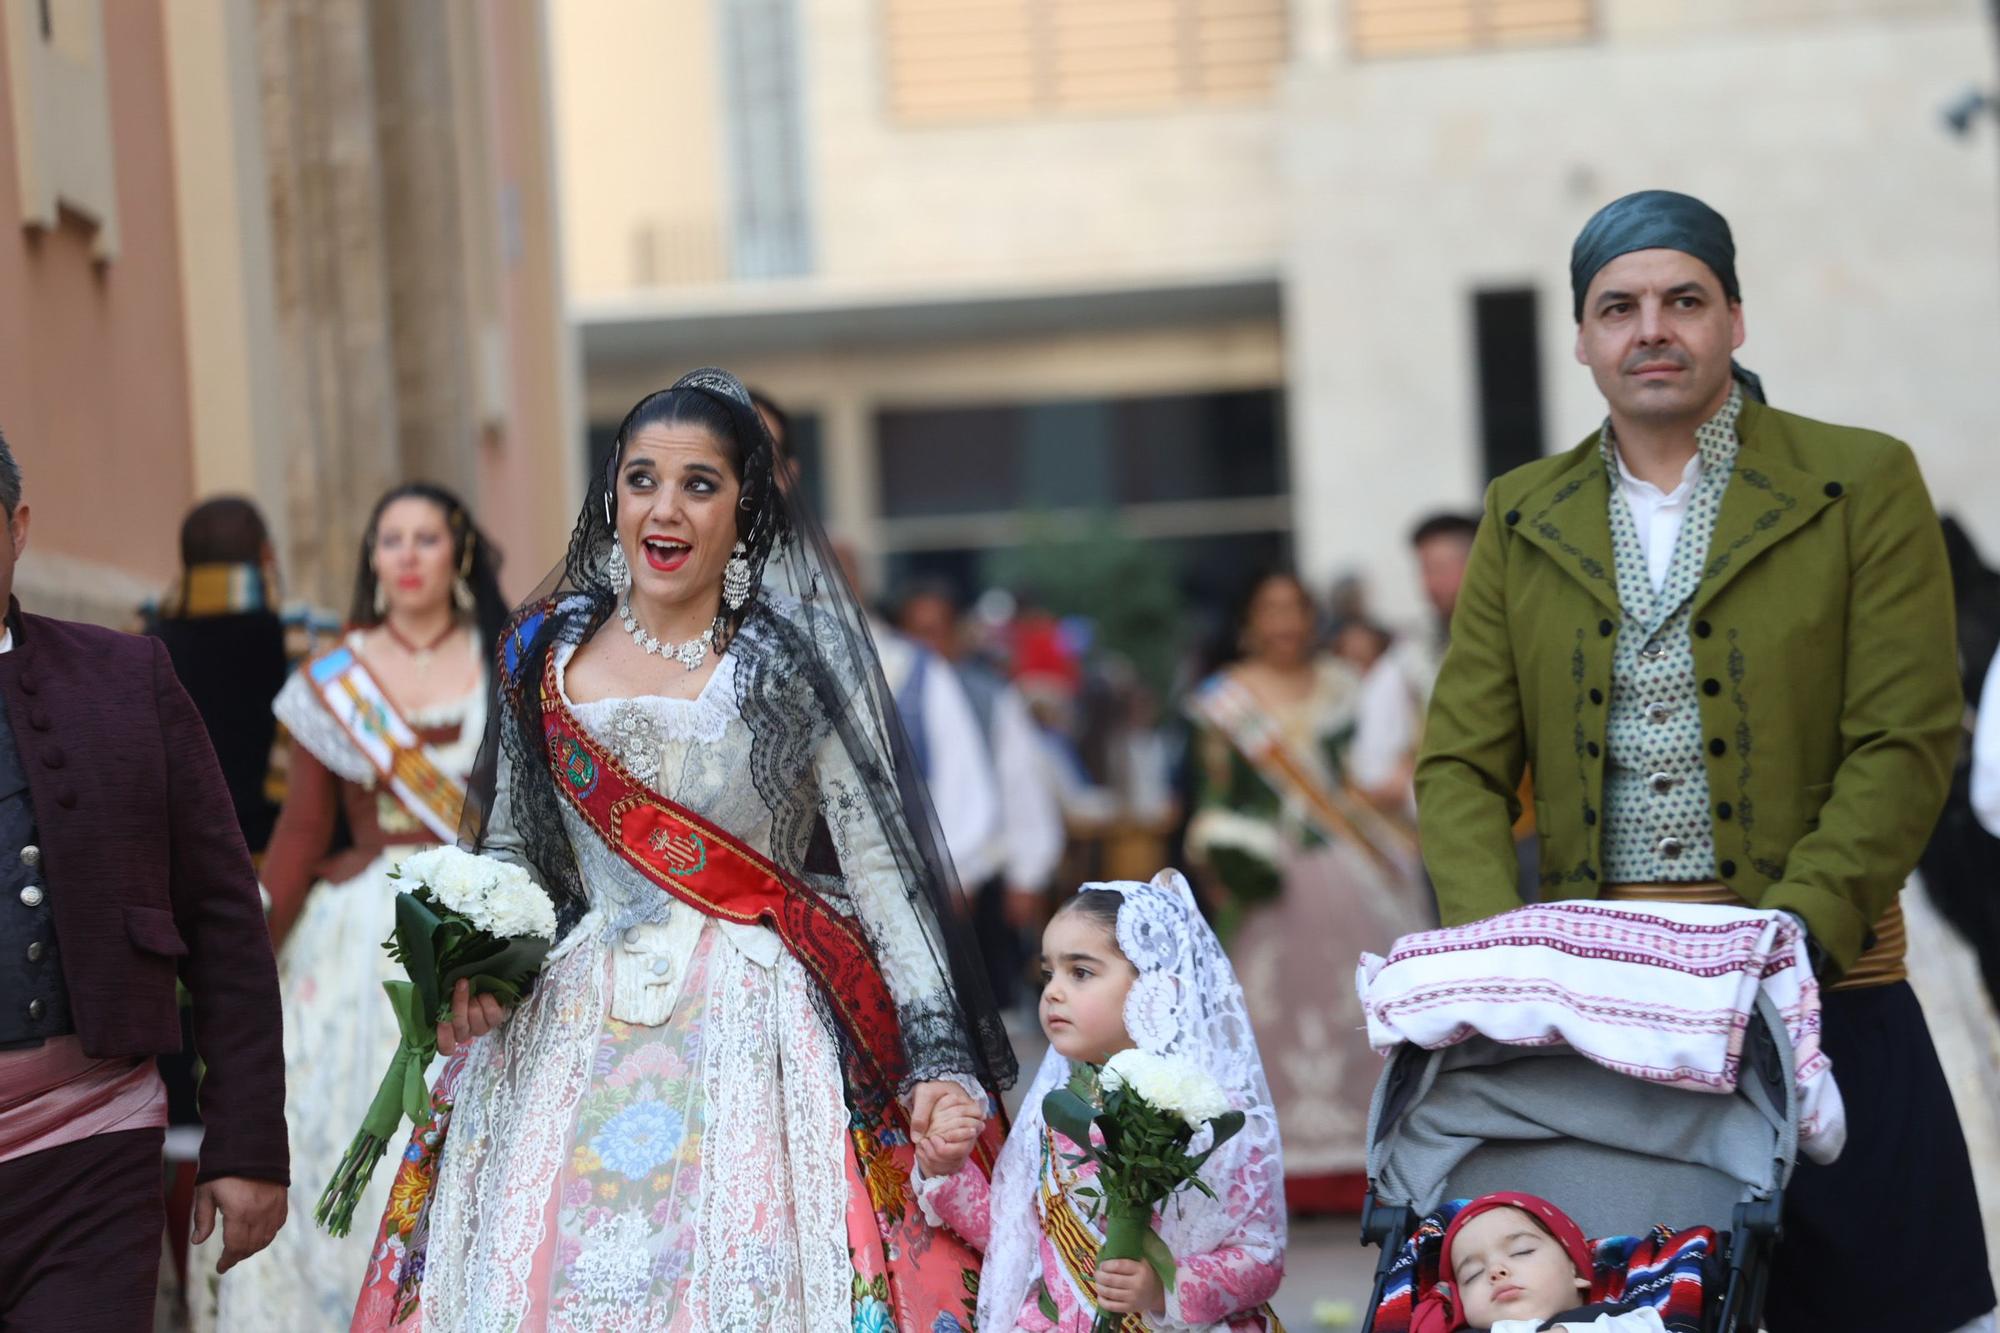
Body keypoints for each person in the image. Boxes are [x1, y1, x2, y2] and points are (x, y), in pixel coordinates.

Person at [1415, 189, 1994, 1333]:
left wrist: (1787, 940)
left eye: (1683, 299)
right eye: (1616, 306)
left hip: (1827, 993)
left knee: (1883, 1307)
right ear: (1580, 342)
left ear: (1733, 317)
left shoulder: (1860, 481)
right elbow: (1460, 767)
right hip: (1604, 1020)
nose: (1651, 329)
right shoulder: (1521, 514)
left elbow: (1906, 734)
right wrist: (1501, 969)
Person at [349, 369, 1015, 1331]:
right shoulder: (540, 649)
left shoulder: (800, 654)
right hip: (570, 1017)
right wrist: (470, 964)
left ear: (747, 506)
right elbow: (517, 853)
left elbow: (881, 873)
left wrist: (938, 1059)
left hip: (760, 1014)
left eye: (699, 484)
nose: (665, 508)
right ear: (611, 492)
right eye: (641, 479)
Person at [196, 484, 506, 1330]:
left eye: (426, 538)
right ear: (372, 557)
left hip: (484, 931)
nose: (406, 555)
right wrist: (236, 952)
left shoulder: (505, 659)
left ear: (460, 554)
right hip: (357, 946)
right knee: (340, 1141)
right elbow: (299, 833)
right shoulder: (334, 676)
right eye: (390, 539)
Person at [0, 432, 288, 1327]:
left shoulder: (126, 677)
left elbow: (223, 916)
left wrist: (245, 1142)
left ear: (16, 528)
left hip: (87, 1145)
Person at [914, 870, 1286, 1330]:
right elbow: (1018, 1241)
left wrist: (1162, 1286)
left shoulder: (1210, 1114)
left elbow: (1260, 1257)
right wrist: (947, 1173)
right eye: (1049, 972)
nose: (1052, 991)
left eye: (1081, 972)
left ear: (1157, 989)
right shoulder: (1057, 1110)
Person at [1184, 569, 1428, 1213]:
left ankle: (1371, 1161)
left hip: (1349, 865)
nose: (1284, 623)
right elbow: (1214, 794)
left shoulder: (1348, 689)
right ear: (1248, 621)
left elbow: (1368, 772)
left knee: (1360, 1003)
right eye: (1270, 608)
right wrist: (1220, 847)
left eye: (1295, 608)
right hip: (1268, 878)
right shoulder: (1224, 699)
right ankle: (1272, 1170)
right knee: (1268, 1012)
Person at [899, 581, 1066, 1012]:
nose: (925, 645)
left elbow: (1021, 787)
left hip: (980, 889)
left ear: (956, 635)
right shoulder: (887, 693)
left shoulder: (989, 696)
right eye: (915, 632)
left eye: (935, 631)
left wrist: (1026, 874)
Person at [1412, 1194, 1664, 1333]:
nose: (1495, 1271)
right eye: (1472, 1274)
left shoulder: (1620, 1321)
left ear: (1576, 1270)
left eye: (1522, 1251)